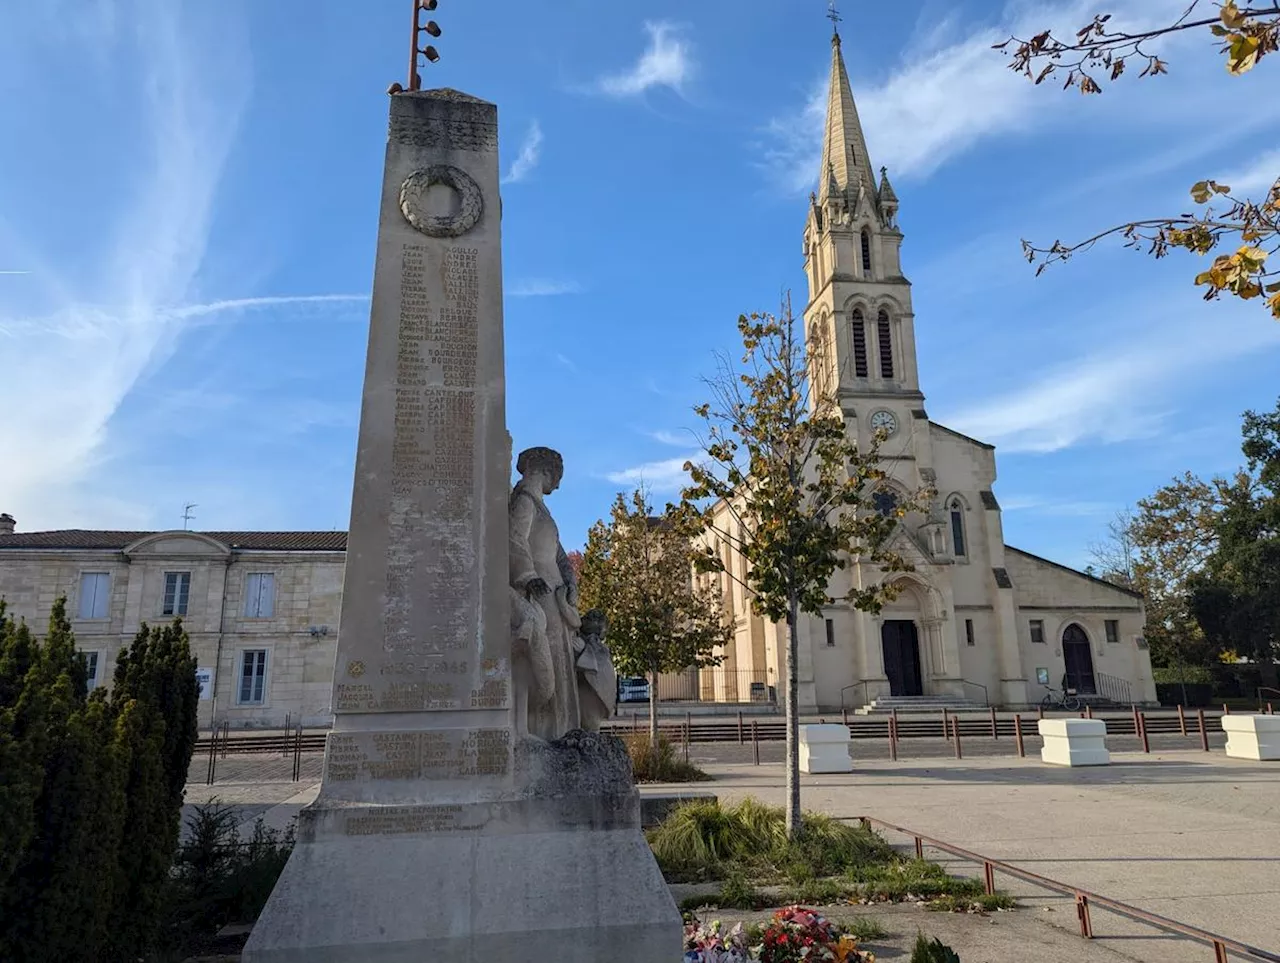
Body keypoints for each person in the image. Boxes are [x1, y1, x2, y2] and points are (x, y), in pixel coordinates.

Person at [509, 447, 582, 741]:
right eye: (558, 477)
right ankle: (546, 731)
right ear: (545, 471)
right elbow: (515, 539)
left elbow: (561, 554)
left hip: (555, 592)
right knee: (549, 658)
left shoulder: (541, 506)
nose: (559, 485)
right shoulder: (525, 500)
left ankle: (561, 729)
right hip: (539, 589)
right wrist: (527, 577)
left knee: (560, 658)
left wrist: (571, 580)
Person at [576, 608, 617, 732]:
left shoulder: (600, 649)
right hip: (583, 690)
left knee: (591, 724)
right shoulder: (581, 642)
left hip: (592, 692)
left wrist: (583, 650)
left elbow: (598, 665)